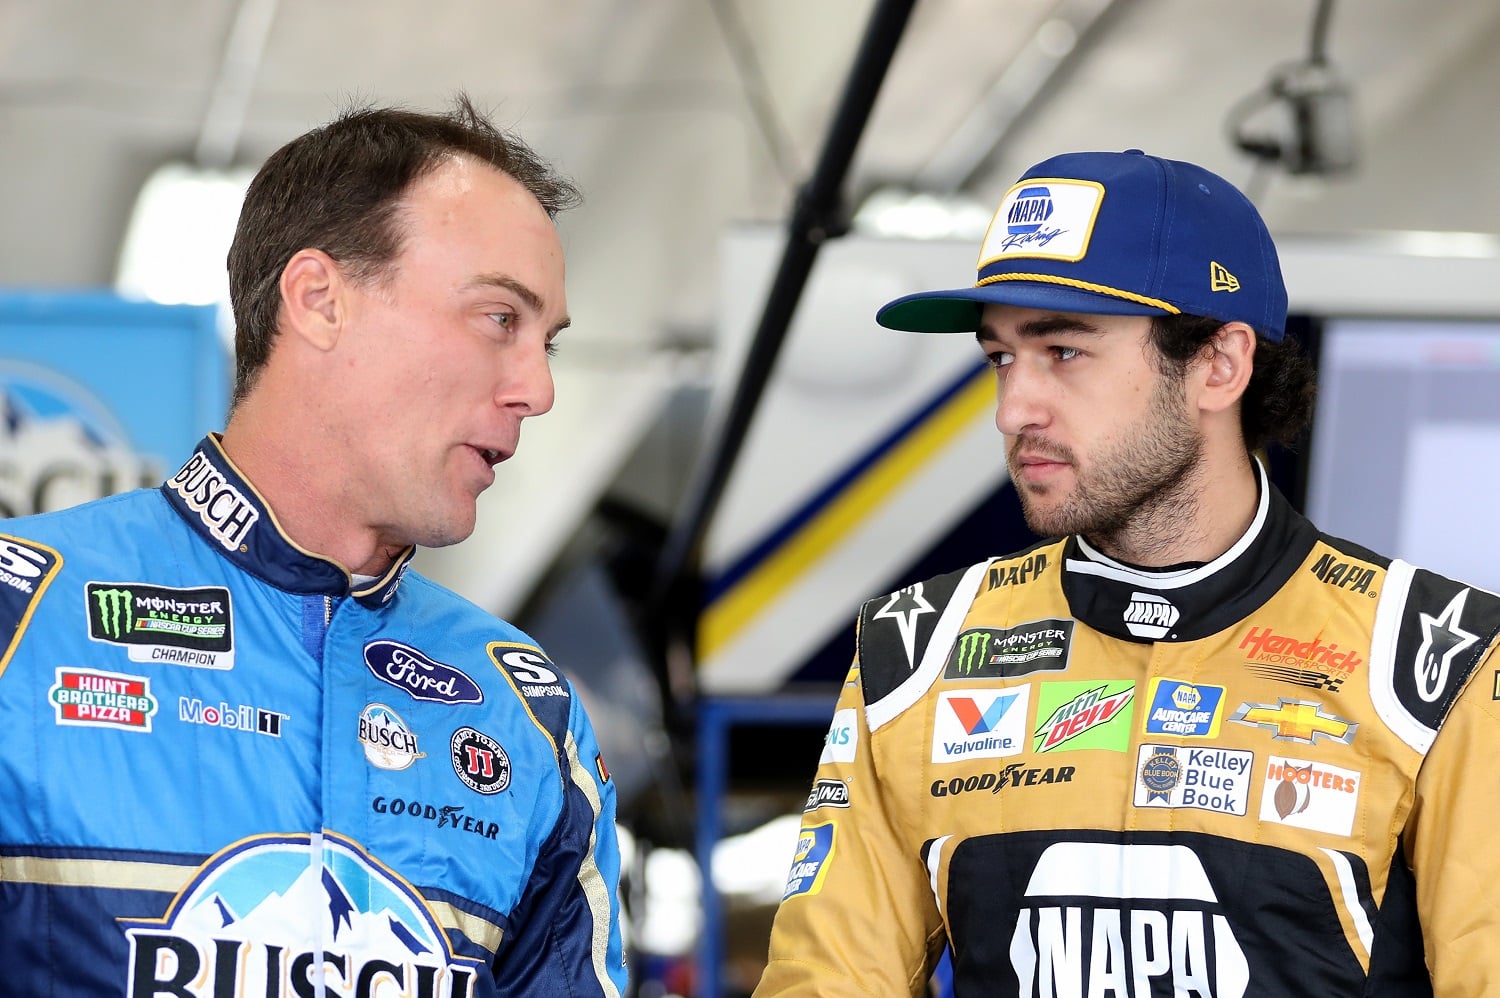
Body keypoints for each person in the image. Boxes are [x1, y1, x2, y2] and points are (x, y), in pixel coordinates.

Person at [755, 149, 1500, 996]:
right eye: (1001, 356)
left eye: (1064, 351)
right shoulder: (916, 649)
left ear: (1219, 364)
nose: (1013, 410)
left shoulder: (1441, 660)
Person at [0, 97, 628, 997]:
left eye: (548, 344)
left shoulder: (527, 712)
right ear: (320, 301)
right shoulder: (20, 617)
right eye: (499, 319)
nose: (537, 389)